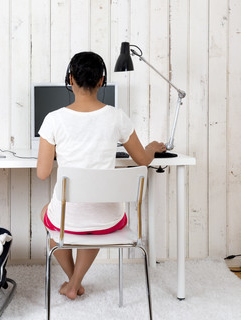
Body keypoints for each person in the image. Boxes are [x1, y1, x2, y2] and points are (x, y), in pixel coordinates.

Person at [37, 51, 165, 300]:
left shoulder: (54, 120)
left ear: (70, 78)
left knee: (48, 216)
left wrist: (57, 151)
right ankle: (75, 283)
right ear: (101, 81)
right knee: (94, 221)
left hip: (68, 222)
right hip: (109, 220)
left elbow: (42, 173)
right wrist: (151, 147)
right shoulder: (117, 117)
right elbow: (142, 160)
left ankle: (73, 282)